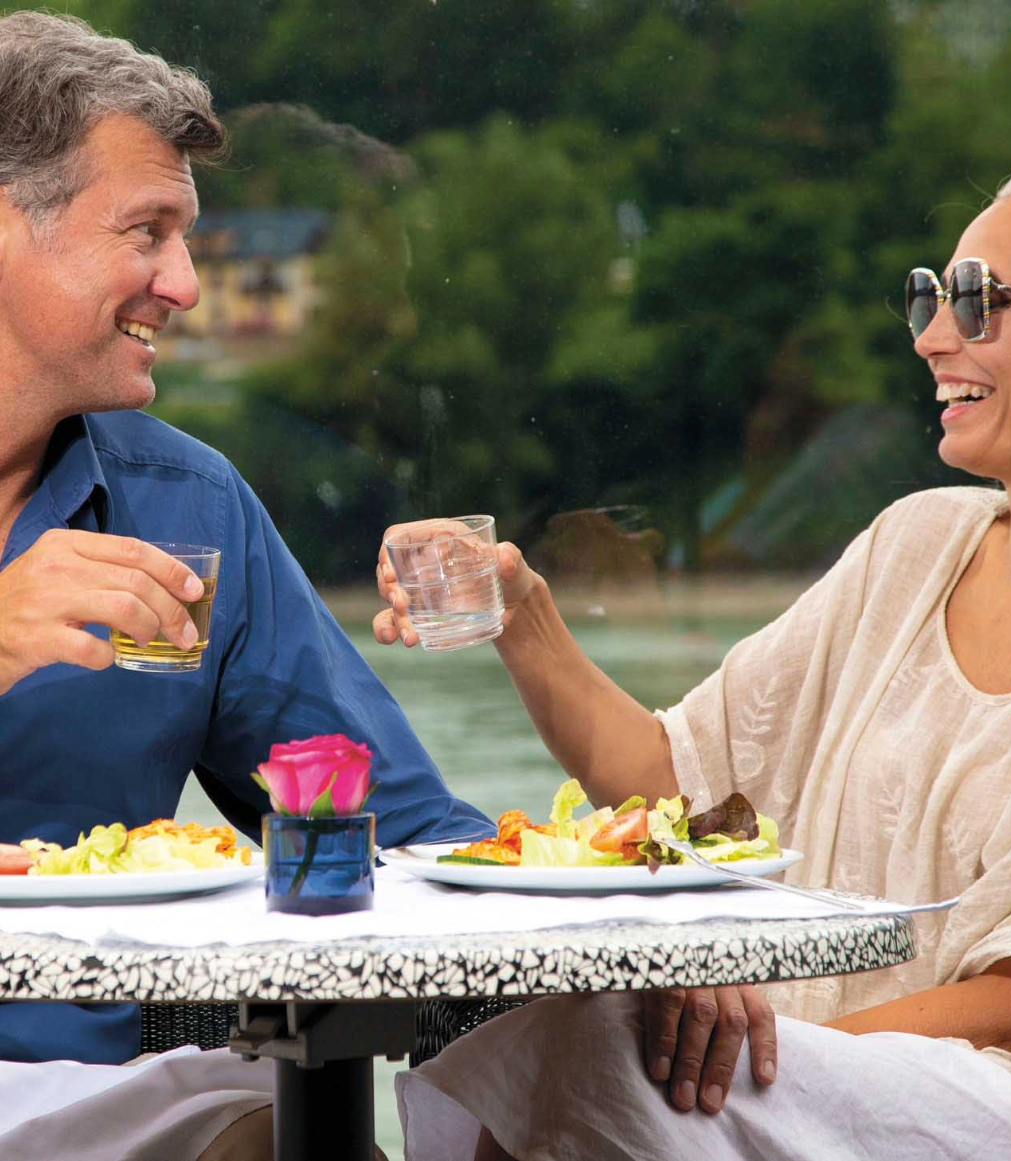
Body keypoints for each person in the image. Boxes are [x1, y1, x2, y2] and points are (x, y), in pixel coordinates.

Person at [375, 133, 1011, 1160]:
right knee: (564, 1022)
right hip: (796, 1063)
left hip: (1004, 1101)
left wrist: (756, 1059)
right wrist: (521, 614)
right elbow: (669, 786)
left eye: (979, 299)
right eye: (929, 295)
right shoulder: (912, 547)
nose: (931, 336)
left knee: (611, 1053)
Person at [0, 10, 490, 1159]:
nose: (186, 285)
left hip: (88, 1093)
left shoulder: (188, 507)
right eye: (148, 231)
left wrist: (633, 933)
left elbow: (393, 829)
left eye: (188, 236)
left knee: (265, 1137)